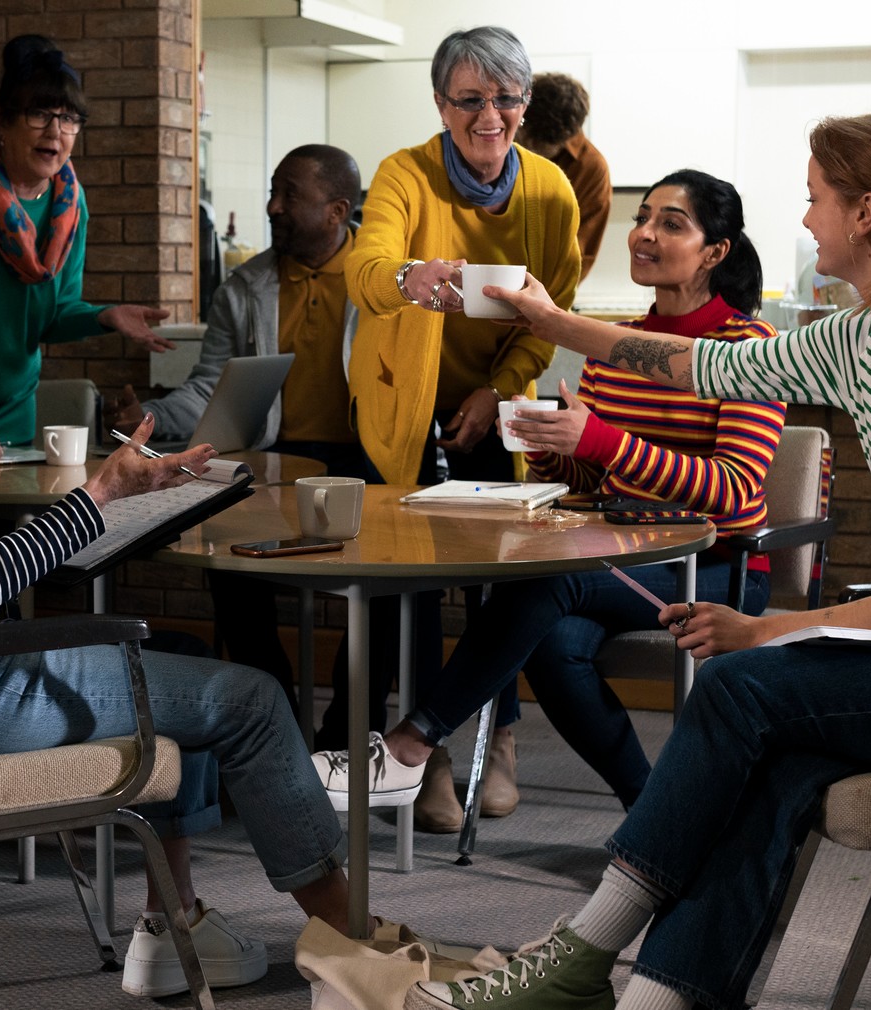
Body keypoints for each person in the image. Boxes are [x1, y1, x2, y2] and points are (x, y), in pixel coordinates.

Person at [406, 111, 871, 1010]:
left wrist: (767, 629)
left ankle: (581, 956)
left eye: (817, 198)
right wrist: (553, 320)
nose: (807, 216)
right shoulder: (869, 336)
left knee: (746, 687)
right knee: (780, 758)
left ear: (866, 213)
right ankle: (654, 997)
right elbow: (700, 367)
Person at [0, 174, 403, 1000]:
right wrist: (101, 498)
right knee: (255, 698)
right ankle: (349, 940)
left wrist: (101, 503)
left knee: (183, 658)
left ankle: (176, 926)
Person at [313, 170, 785, 833]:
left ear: (716, 252)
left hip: (715, 567)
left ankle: (407, 747)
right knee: (553, 639)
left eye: (672, 224)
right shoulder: (610, 345)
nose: (645, 233)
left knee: (550, 582)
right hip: (622, 560)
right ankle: (656, 818)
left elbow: (733, 493)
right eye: (643, 216)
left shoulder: (748, 350)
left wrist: (601, 438)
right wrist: (549, 449)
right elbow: (593, 486)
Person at [334, 24, 584, 796]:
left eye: (506, 99)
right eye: (470, 100)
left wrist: (497, 387)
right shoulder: (404, 174)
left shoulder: (548, 189)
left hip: (496, 402)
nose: (489, 116)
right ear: (441, 103)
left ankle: (498, 744)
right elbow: (364, 266)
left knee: (500, 582)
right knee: (411, 580)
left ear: (526, 102)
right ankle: (433, 760)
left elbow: (554, 309)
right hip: (404, 408)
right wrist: (411, 277)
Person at [103, 144, 371, 700]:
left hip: (366, 460)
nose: (273, 207)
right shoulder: (244, 288)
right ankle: (274, 707)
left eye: (289, 195)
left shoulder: (382, 281)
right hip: (274, 458)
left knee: (381, 594)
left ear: (336, 211)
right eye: (272, 192)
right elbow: (209, 387)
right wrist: (147, 419)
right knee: (224, 559)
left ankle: (354, 730)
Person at [0, 34, 175, 454]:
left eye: (70, 118)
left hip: (12, 417)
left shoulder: (69, 202)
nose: (56, 131)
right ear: (3, 120)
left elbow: (52, 316)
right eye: (39, 114)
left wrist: (105, 316)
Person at [519, 72, 611, 276]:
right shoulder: (503, 140)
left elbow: (580, 250)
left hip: (548, 289)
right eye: (524, 136)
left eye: (539, 145)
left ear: (566, 137)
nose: (527, 147)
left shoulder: (591, 168)